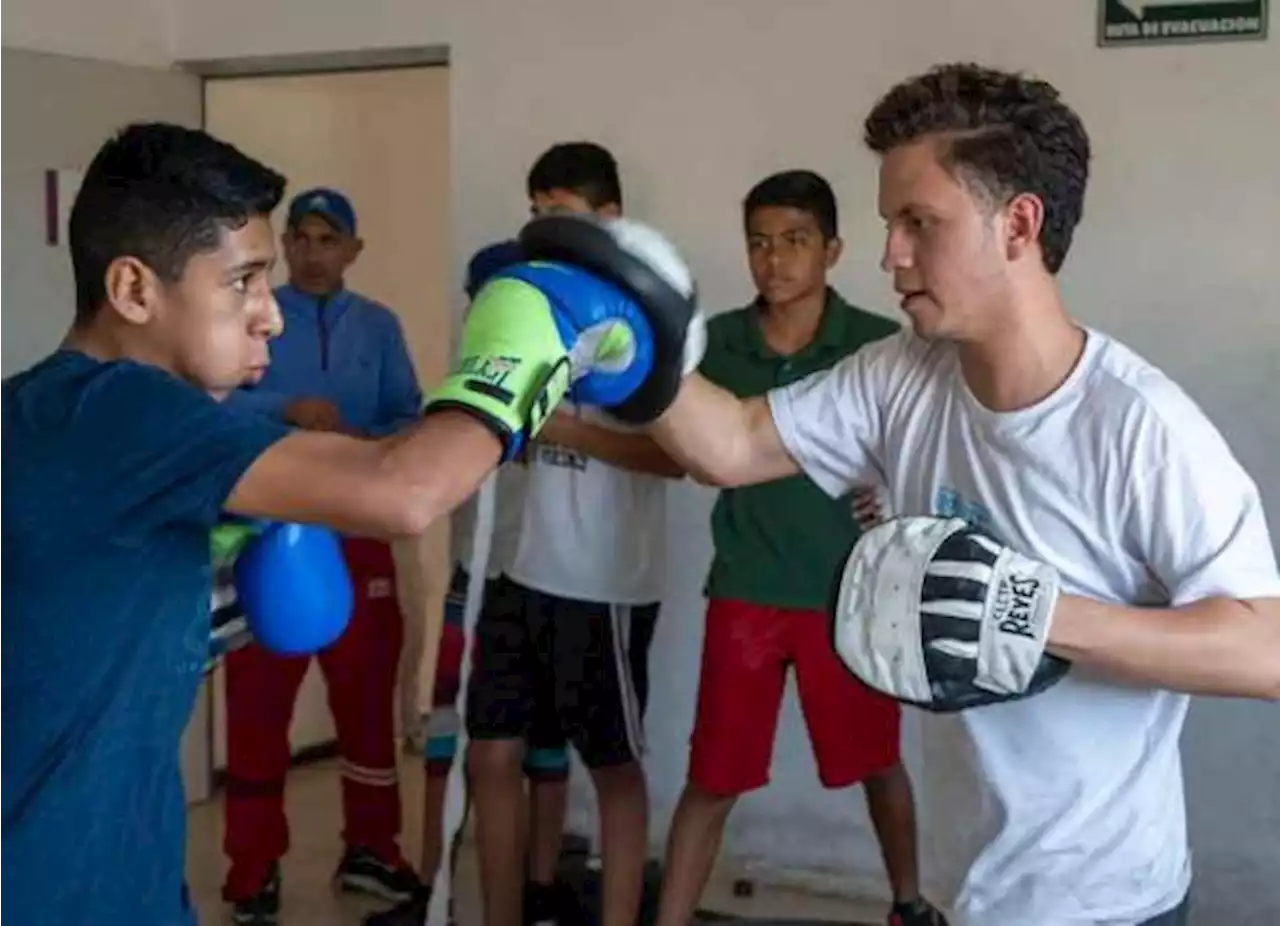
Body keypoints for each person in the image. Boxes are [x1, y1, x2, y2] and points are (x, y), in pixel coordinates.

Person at [0, 120, 692, 926]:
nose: (271, 316)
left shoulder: (47, 414)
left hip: (120, 877)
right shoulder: (124, 412)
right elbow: (406, 491)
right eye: (243, 283)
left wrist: (220, 592)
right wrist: (539, 335)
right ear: (133, 290)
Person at [637, 62, 1280, 926]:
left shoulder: (1139, 427)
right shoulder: (899, 375)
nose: (891, 254)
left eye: (919, 223)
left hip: (1099, 904)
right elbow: (733, 443)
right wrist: (629, 348)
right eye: (889, 223)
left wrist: (1030, 612)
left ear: (1017, 224)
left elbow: (1265, 648)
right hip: (956, 887)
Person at [652, 169, 945, 926]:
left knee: (877, 763)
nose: (774, 260)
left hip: (848, 595)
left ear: (833, 249)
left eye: (794, 241)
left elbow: (931, 453)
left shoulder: (881, 346)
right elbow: (684, 446)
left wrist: (893, 490)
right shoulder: (713, 344)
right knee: (713, 777)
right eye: (758, 243)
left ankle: (909, 904)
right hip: (746, 592)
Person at [466, 142, 681, 926]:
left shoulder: (654, 318)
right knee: (491, 752)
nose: (545, 227)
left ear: (609, 219)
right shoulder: (532, 306)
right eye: (537, 212)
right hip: (522, 572)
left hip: (606, 585)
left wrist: (563, 426)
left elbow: (675, 456)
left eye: (561, 211)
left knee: (613, 767)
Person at [219, 187, 426, 923]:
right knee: (257, 713)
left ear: (352, 251)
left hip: (357, 537)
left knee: (367, 705)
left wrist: (380, 442)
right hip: (266, 537)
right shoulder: (250, 315)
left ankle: (373, 851)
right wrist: (285, 408)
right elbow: (208, 402)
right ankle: (252, 871)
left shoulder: (377, 325)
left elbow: (410, 410)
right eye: (299, 238)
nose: (311, 252)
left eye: (326, 238)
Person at [365, 240, 574, 926]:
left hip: (541, 582)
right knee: (448, 740)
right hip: (471, 583)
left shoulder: (560, 376)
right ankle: (434, 887)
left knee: (543, 743)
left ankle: (540, 889)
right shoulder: (462, 388)